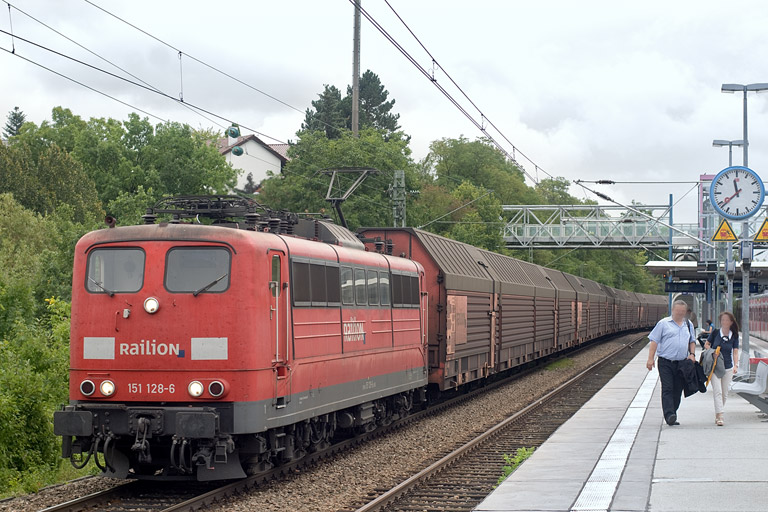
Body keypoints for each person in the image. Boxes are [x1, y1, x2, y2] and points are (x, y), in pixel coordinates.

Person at [647, 300, 697, 426]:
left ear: (685, 312)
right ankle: (669, 415)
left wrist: (692, 354)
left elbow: (692, 340)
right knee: (668, 388)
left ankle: (673, 412)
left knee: (678, 389)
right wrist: (650, 358)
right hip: (665, 362)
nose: (680, 313)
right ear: (672, 310)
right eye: (678, 311)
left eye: (682, 312)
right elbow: (654, 341)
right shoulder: (663, 324)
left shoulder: (688, 324)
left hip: (682, 363)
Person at [705, 312, 740, 427]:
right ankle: (720, 415)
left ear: (731, 322)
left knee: (724, 394)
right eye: (723, 320)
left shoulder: (734, 336)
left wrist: (736, 365)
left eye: (727, 320)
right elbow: (707, 344)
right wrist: (712, 352)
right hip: (715, 366)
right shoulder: (715, 333)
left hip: (728, 367)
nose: (724, 322)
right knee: (718, 391)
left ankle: (718, 412)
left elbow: (735, 351)